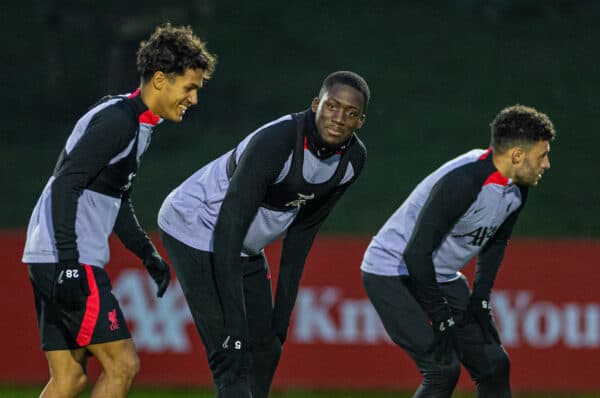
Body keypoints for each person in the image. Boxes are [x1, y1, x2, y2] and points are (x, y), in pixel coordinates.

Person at [22, 23, 216, 398]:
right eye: (189, 87)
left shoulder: (134, 122)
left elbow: (115, 198)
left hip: (47, 253)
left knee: (70, 379)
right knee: (123, 365)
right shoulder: (119, 122)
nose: (193, 99)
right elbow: (66, 183)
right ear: (160, 80)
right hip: (67, 256)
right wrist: (68, 261)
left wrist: (147, 254)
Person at [158, 70, 370, 397]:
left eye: (351, 113)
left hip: (241, 244)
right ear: (316, 105)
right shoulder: (277, 142)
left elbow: (303, 234)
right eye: (332, 107)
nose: (339, 118)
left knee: (267, 350)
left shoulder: (352, 161)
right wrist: (233, 322)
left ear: (360, 122)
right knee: (232, 354)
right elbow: (229, 226)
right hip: (195, 226)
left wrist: (281, 320)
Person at [361, 105, 555, 397]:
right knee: (442, 370)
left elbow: (496, 241)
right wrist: (441, 315)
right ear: (517, 155)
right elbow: (415, 255)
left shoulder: (517, 187)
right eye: (542, 155)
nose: (546, 164)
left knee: (494, 364)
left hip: (437, 272)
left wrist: (481, 297)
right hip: (390, 270)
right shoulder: (465, 182)